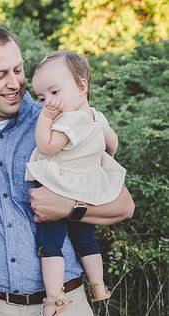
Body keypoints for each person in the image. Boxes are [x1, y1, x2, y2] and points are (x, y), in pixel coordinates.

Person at [0, 26, 134, 315]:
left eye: (18, 70)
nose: (14, 82)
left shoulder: (62, 122)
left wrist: (69, 207)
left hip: (65, 302)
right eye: (0, 75)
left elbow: (124, 205)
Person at [25, 51, 126, 315]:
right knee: (86, 240)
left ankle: (53, 296)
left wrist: (45, 118)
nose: (49, 102)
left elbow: (47, 147)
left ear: (81, 86)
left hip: (61, 188)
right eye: (42, 98)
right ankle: (98, 285)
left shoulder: (67, 121)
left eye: (55, 92)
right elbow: (112, 143)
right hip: (87, 188)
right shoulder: (96, 116)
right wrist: (97, 157)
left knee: (50, 244)